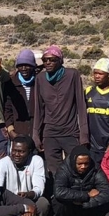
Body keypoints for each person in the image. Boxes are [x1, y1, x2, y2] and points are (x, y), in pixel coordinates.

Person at [35, 45, 89, 177]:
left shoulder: (72, 75)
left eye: (52, 60)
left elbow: (81, 105)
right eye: (45, 60)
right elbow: (39, 109)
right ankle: (58, 196)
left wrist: (84, 134)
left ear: (60, 61)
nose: (47, 62)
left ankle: (76, 195)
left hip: (70, 131)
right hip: (50, 133)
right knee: (54, 170)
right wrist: (36, 134)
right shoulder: (40, 79)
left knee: (76, 168)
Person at [52, 144, 109, 216]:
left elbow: (106, 192)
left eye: (86, 163)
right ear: (73, 162)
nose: (83, 166)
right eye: (79, 164)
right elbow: (59, 191)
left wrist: (83, 203)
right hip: (70, 206)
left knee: (106, 200)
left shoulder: (95, 169)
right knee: (58, 200)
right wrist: (86, 195)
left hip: (87, 206)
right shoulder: (64, 169)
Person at [0, 136, 51, 216]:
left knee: (43, 203)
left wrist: (28, 195)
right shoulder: (3, 163)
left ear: (29, 152)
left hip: (30, 200)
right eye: (14, 151)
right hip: (9, 203)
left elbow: (39, 188)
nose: (16, 154)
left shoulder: (36, 160)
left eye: (21, 151)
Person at [4, 50, 38, 143]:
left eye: (27, 65)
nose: (24, 68)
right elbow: (7, 109)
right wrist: (11, 130)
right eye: (20, 65)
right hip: (18, 132)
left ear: (33, 66)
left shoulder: (39, 82)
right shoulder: (11, 83)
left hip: (37, 133)